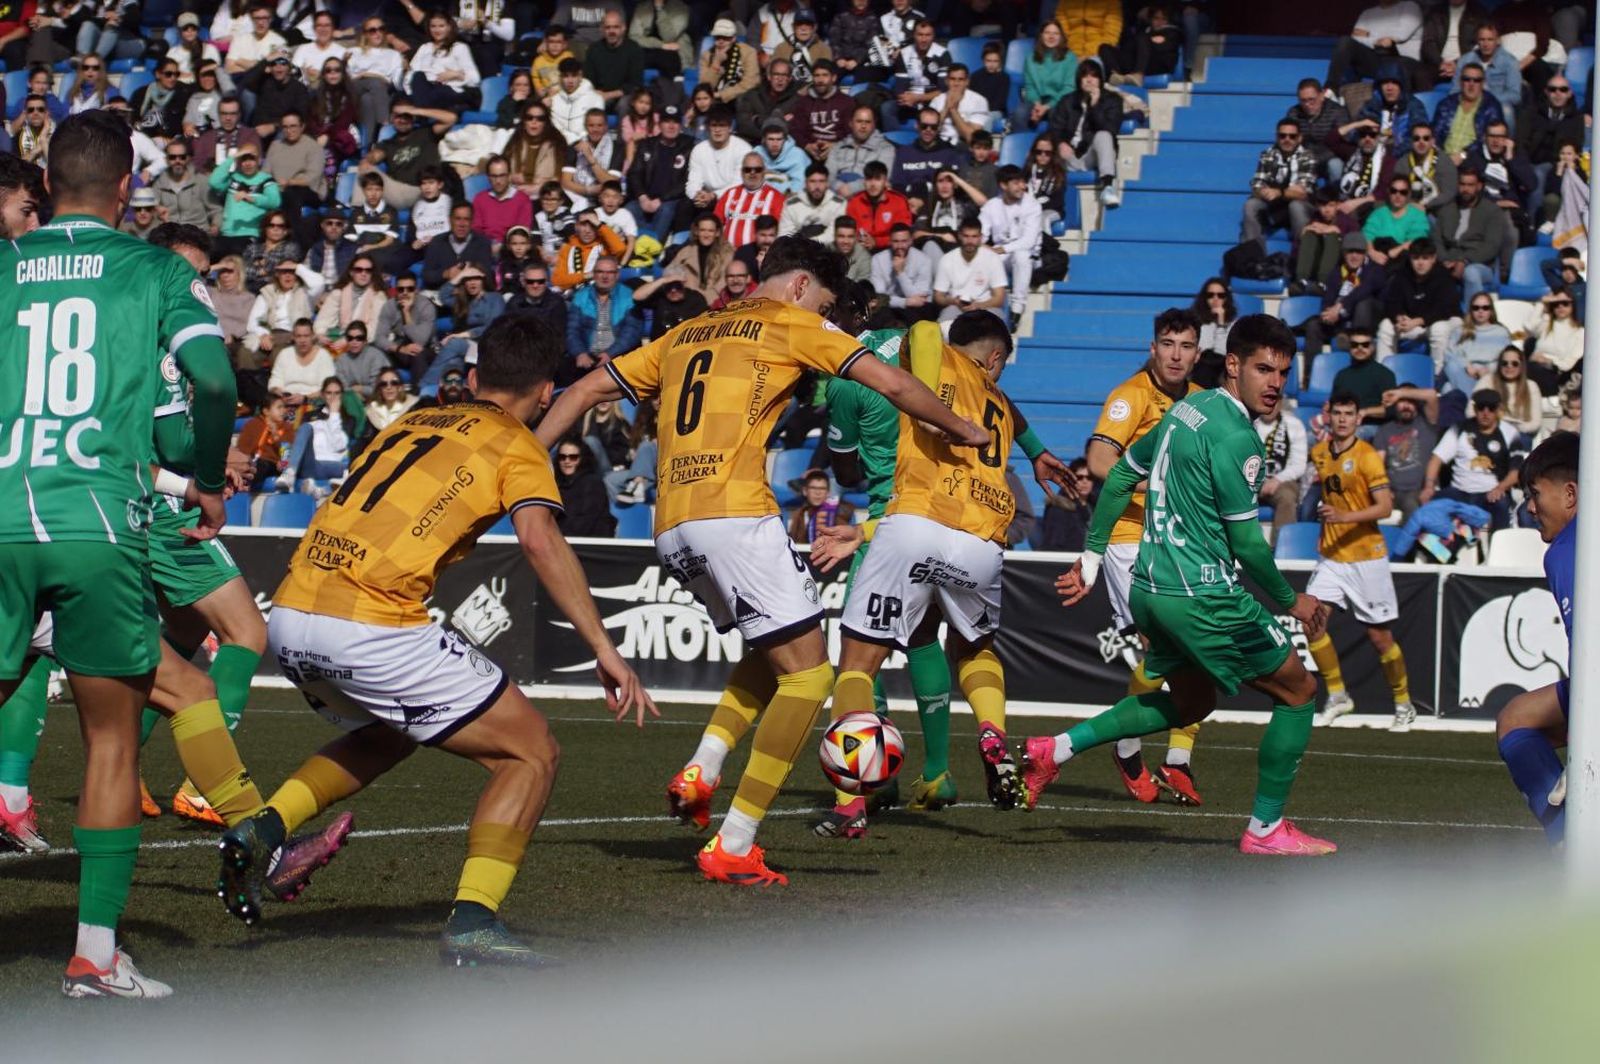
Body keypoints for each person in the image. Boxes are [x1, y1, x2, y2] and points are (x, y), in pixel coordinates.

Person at [533, 236, 987, 886]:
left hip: (672, 524)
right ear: (802, 288)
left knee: (770, 652)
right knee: (809, 678)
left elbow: (579, 394)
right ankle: (735, 842)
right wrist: (961, 426)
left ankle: (704, 767)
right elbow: (889, 380)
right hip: (734, 513)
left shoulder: (686, 331)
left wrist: (516, 464)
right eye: (828, 302)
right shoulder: (797, 323)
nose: (828, 314)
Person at [220, 313, 655, 964]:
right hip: (368, 621)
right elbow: (539, 539)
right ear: (545, 393)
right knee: (531, 754)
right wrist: (604, 648)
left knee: (396, 729)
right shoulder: (518, 445)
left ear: (475, 377)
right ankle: (475, 921)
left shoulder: (414, 419)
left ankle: (267, 826)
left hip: (290, 610)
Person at [0, 110, 239, 997]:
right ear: (128, 187)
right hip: (99, 523)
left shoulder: (4, 265)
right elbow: (212, 379)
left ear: (48, 183)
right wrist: (209, 476)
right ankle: (94, 956)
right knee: (111, 740)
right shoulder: (154, 270)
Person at [1031, 315, 1335, 857]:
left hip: (1151, 589)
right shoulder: (1239, 438)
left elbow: (1121, 475)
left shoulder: (1184, 412)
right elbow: (1247, 547)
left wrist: (1094, 556)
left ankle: (1053, 749)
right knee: (1299, 693)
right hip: (1204, 596)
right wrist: (1295, 600)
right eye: (1263, 368)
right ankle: (1265, 830)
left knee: (1192, 701)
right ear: (1234, 366)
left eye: (1283, 373)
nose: (1274, 383)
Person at [809, 313, 1071, 834]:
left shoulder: (930, 352)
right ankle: (993, 735)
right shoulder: (994, 399)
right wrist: (1037, 449)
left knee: (858, 664)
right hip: (981, 542)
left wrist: (928, 402)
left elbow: (925, 330)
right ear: (995, 360)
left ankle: (850, 806)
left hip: (915, 523)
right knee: (974, 650)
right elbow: (1011, 413)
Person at [1079, 308, 1205, 801]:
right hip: (1129, 537)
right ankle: (1135, 748)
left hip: (1182, 540)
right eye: (1168, 343)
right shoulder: (1130, 396)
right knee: (1170, 644)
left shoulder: (1200, 403)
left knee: (1194, 647)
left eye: (1186, 345)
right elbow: (1098, 459)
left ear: (1198, 353)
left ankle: (1172, 760)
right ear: (1153, 348)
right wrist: (1156, 492)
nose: (1176, 354)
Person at [1305, 391, 1414, 730]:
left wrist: (1344, 516)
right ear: (1330, 415)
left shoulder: (1367, 456)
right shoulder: (1319, 452)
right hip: (1333, 556)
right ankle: (1338, 695)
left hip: (1367, 557)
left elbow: (1384, 507)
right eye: (1336, 413)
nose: (1342, 419)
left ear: (1358, 419)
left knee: (1379, 637)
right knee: (1310, 619)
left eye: (1348, 414)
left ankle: (1403, 703)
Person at [1495, 430, 1577, 842]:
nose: (1529, 507)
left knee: (1515, 723)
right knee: (1518, 718)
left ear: (1570, 494)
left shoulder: (1569, 549)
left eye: (1535, 494)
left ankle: (1571, 841)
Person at [1423, 388, 1525, 529]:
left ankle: (1499, 548)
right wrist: (1428, 486)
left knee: (1501, 506)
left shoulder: (1509, 433)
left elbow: (1517, 471)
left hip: (1491, 492)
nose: (1485, 413)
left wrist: (1500, 488)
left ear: (1498, 409)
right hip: (1459, 491)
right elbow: (1436, 459)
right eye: (1481, 407)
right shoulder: (1459, 429)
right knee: (1429, 506)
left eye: (1491, 408)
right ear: (1474, 408)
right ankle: (1438, 549)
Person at [1046, 60, 1123, 208]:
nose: (1089, 80)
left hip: (1092, 155)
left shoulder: (1112, 100)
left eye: (1094, 76)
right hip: (1068, 156)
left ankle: (1107, 187)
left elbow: (1111, 129)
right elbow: (1055, 129)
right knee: (1048, 147)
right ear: (1078, 80)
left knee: (1103, 135)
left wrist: (1095, 106)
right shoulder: (1068, 101)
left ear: (1100, 80)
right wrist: (1060, 143)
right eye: (1085, 76)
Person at [1304, 233, 1387, 368]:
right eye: (1350, 251)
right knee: (1313, 326)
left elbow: (1364, 290)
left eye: (1358, 252)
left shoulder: (1375, 270)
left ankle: (1357, 352)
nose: (1354, 256)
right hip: (1340, 321)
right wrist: (1328, 313)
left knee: (1363, 303)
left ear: (1365, 253)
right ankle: (1309, 375)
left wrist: (1341, 307)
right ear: (1344, 253)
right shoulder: (1337, 272)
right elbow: (1328, 297)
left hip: (1365, 320)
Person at [1376, 238, 1459, 360]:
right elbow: (1392, 302)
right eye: (1416, 258)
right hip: (1412, 323)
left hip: (1440, 321)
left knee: (1439, 328)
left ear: (1433, 259)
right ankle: (1385, 371)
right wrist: (1399, 317)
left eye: (1425, 258)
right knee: (1386, 325)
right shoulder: (1402, 275)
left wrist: (1419, 321)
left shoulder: (1443, 276)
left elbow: (1445, 309)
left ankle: (1437, 374)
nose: (1420, 263)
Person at [979, 165, 1043, 324]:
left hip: (1029, 257)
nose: (1022, 186)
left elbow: (1028, 242)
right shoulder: (991, 205)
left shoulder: (1032, 205)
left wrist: (998, 249)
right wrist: (982, 246)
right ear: (1003, 185)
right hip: (1001, 256)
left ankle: (1017, 307)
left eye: (1023, 182)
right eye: (1016, 183)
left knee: (1021, 255)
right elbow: (979, 234)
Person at [564, 255, 642, 381]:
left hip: (618, 359)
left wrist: (610, 354)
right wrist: (580, 353)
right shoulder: (581, 296)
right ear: (594, 275)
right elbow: (572, 330)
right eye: (600, 272)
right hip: (588, 359)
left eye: (610, 272)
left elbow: (631, 332)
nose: (605, 276)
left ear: (617, 275)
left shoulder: (628, 296)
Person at [1241, 118, 1316, 244]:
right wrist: (1264, 192)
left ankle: (1302, 252)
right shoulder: (1268, 154)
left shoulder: (1307, 156)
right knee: (1250, 205)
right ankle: (1254, 255)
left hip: (1300, 204)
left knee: (1296, 206)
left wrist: (1279, 192)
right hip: (1274, 203)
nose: (1287, 140)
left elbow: (1302, 193)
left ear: (1299, 138)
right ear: (1277, 137)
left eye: (1292, 136)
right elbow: (1257, 185)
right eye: (1282, 136)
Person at [1373, 388, 1439, 520]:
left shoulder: (1426, 424)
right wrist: (1384, 489)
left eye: (1411, 402)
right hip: (1392, 490)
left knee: (1411, 505)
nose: (1406, 406)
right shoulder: (1385, 430)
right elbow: (1377, 465)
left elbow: (1431, 395)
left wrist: (1400, 393)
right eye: (1402, 402)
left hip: (1417, 490)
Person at [209, 146, 281, 259]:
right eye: (243, 159)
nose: (247, 163)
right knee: (211, 255)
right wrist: (233, 157)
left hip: (250, 233)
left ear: (258, 160)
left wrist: (251, 198)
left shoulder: (266, 180)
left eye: (251, 159)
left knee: (237, 254)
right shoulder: (233, 178)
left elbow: (275, 202)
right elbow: (214, 182)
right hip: (227, 233)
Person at [933, 217, 1007, 323]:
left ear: (980, 237)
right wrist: (952, 301)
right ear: (959, 236)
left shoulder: (992, 258)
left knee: (995, 325)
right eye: (966, 236)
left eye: (974, 236)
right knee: (943, 325)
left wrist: (978, 306)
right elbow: (938, 296)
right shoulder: (947, 259)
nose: (970, 241)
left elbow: (999, 298)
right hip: (955, 307)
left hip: (985, 306)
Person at [1256, 400, 1309, 540]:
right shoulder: (1247, 423)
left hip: (1282, 482)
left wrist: (1277, 480)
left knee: (1287, 497)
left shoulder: (1294, 425)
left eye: (1273, 401)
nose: (1269, 406)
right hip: (1250, 480)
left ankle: (1280, 546)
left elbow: (1299, 465)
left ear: (1280, 404)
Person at [1016, 20, 1078, 133]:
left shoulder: (1070, 58)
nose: (1051, 36)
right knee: (1020, 112)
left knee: (1056, 113)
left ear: (1061, 37)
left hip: (1060, 100)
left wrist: (1047, 107)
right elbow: (1030, 86)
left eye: (1055, 33)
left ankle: (1054, 147)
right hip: (1037, 101)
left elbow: (1069, 88)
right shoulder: (1031, 58)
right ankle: (1023, 146)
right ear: (1041, 35)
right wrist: (1037, 104)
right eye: (1047, 32)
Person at [716, 153, 785, 247]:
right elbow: (715, 224)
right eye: (748, 170)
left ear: (764, 171)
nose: (752, 173)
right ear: (741, 172)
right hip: (728, 255)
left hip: (759, 257)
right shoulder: (729, 194)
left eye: (757, 170)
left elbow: (781, 232)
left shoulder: (776, 198)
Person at [553, 438, 617, 537]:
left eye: (573, 457)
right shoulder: (557, 484)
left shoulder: (593, 483)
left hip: (591, 544)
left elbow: (587, 520)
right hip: (564, 540)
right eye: (562, 457)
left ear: (582, 458)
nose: (567, 461)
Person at [1528, 286, 1584, 395]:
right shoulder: (1547, 323)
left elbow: (1568, 363)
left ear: (1573, 305)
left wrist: (1548, 362)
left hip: (1556, 373)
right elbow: (1528, 327)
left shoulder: (1580, 332)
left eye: (1565, 303)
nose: (1560, 307)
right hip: (1533, 366)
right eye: (1556, 304)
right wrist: (1542, 303)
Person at [1487, 345, 1542, 441]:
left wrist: (1513, 428)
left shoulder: (1531, 386)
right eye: (1505, 363)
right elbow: (1470, 412)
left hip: (1520, 433)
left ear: (1521, 366)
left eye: (1515, 363)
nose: (1509, 366)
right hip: (1493, 431)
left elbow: (1535, 423)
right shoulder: (1489, 381)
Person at [699, 18, 761, 104]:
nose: (721, 41)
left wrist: (722, 95)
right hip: (713, 101)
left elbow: (751, 83)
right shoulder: (707, 55)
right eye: (717, 37)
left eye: (725, 38)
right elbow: (704, 87)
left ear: (733, 38)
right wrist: (716, 63)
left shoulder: (748, 52)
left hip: (740, 99)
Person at [786, 468, 855, 544]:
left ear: (828, 492)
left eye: (822, 488)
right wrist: (811, 526)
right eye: (813, 488)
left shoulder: (839, 510)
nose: (818, 492)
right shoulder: (798, 514)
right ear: (805, 491)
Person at [1191, 276, 1237, 383]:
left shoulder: (1232, 324)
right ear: (1204, 298)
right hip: (1199, 365)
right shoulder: (1196, 321)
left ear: (1226, 298)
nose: (1215, 299)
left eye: (1220, 295)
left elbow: (1222, 351)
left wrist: (1221, 322)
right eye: (1210, 295)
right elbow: (1199, 349)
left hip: (1221, 367)